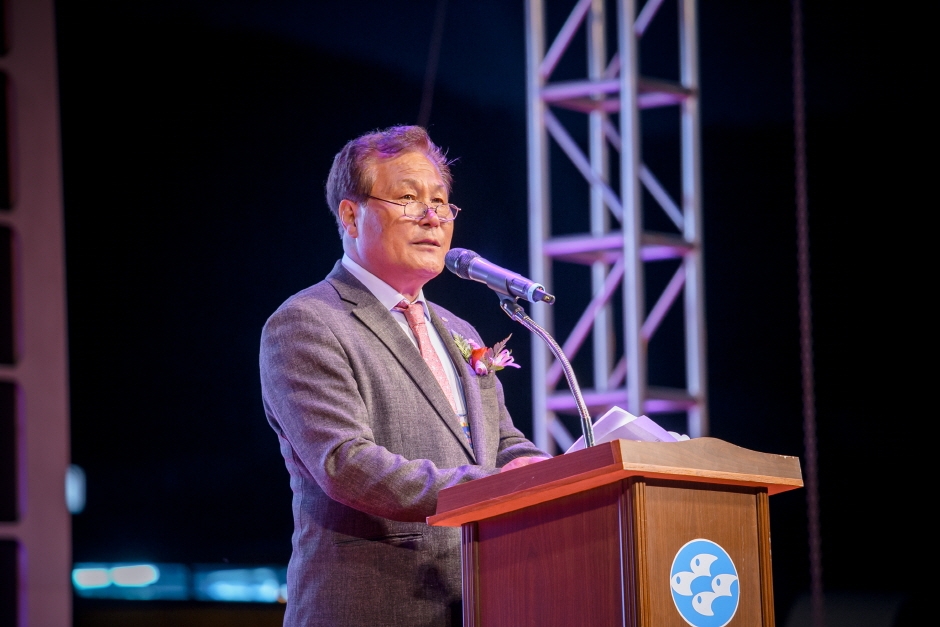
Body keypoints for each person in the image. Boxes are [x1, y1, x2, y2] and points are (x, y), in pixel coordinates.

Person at [259, 125, 549, 627]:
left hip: (478, 603)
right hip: (371, 607)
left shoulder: (459, 329)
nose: (432, 216)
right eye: (408, 198)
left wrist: (546, 474)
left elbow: (504, 443)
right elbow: (345, 463)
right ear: (351, 215)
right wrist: (493, 486)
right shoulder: (307, 322)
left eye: (441, 201)